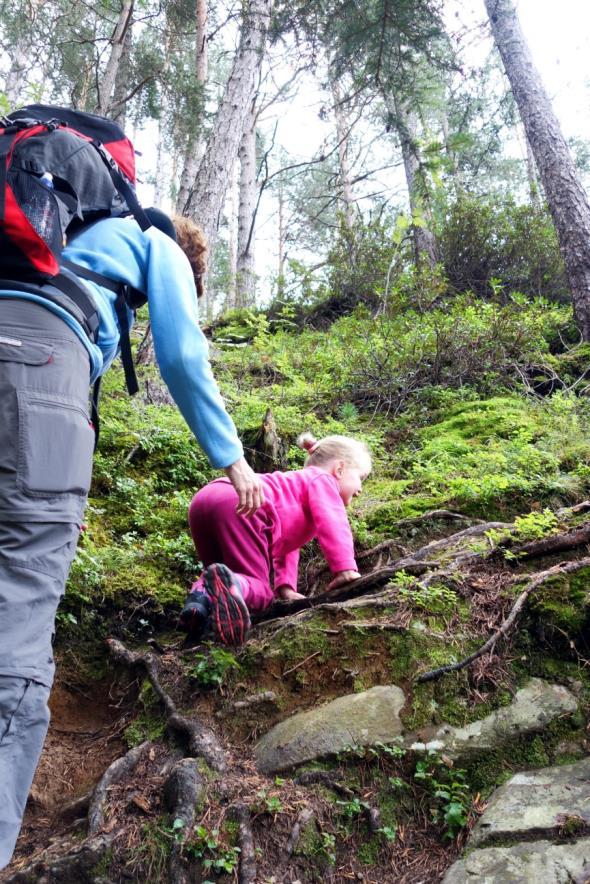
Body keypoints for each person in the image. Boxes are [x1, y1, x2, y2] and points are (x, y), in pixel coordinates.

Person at [0, 210, 263, 870]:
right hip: (38, 362)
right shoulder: (156, 242)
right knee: (21, 601)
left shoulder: (65, 247)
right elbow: (178, 352)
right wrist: (232, 458)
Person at [179, 432, 371, 645]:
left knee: (216, 573)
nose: (361, 489)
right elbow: (333, 521)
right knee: (259, 592)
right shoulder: (323, 480)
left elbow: (288, 544)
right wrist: (344, 568)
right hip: (245, 504)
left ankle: (198, 607)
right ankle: (231, 588)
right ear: (340, 469)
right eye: (360, 478)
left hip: (206, 498)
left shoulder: (293, 489)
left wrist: (286, 588)